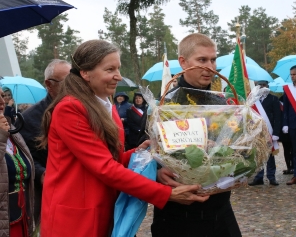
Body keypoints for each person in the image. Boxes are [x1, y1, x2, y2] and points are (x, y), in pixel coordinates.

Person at [38, 39, 208, 237]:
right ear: (85, 73)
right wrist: (165, 194)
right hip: (75, 218)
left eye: (118, 68)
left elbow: (108, 159)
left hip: (103, 209)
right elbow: (104, 167)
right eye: (110, 69)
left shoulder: (103, 103)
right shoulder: (70, 108)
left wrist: (137, 153)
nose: (118, 76)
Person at [150, 33, 242, 237]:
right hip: (178, 215)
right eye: (202, 60)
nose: (210, 66)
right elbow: (144, 151)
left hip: (220, 210)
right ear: (183, 62)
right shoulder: (164, 105)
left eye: (213, 59)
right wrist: (156, 172)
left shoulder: (225, 104)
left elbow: (240, 146)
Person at [15, 59, 71, 223]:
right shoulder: (29, 118)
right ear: (49, 84)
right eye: (66, 82)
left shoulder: (84, 109)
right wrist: (40, 172)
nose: (73, 86)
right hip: (49, 191)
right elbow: (23, 154)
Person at [0, 86, 35, 236]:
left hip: (21, 215)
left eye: (3, 96)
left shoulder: (11, 128)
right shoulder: (4, 131)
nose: (2, 101)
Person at [249, 80, 281, 186]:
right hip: (257, 131)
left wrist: (276, 132)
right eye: (259, 85)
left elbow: (277, 117)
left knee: (270, 154)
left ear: (268, 86)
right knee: (258, 154)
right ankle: (258, 177)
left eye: (264, 85)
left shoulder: (273, 99)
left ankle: (271, 177)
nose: (262, 87)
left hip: (270, 131)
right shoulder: (253, 100)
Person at [279, 95, 294, 175]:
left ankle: (294, 167)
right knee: (286, 149)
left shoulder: (294, 98)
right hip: (284, 130)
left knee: (294, 149)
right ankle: (289, 167)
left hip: (293, 128)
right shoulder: (280, 101)